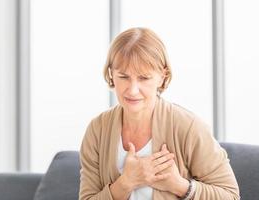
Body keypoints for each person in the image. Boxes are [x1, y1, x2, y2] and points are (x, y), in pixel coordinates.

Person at [79, 27, 240, 200]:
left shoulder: (188, 127)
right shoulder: (97, 130)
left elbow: (230, 195)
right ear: (111, 74)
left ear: (162, 76)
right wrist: (126, 183)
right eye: (123, 77)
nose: (132, 90)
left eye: (144, 78)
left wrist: (179, 185)